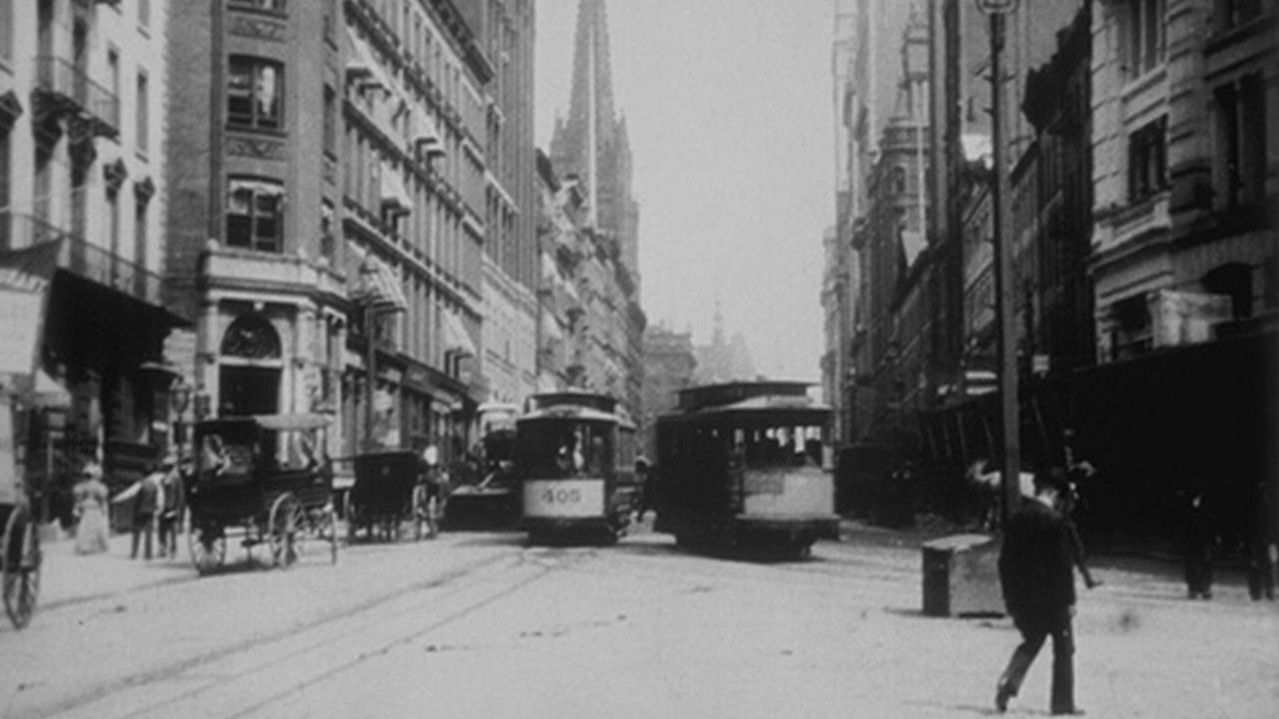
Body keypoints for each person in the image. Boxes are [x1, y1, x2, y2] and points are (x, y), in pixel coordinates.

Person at [995, 466, 1083, 716]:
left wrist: (1010, 593)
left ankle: (1010, 681)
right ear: (1054, 493)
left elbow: (1005, 561)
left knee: (1033, 639)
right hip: (1053, 597)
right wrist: (1070, 600)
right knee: (1064, 648)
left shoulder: (1018, 517)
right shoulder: (1056, 522)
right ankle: (1062, 704)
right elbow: (1062, 567)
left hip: (1024, 595)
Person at [113, 463, 165, 560]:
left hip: (139, 510)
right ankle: (148, 554)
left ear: (143, 473)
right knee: (148, 533)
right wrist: (158, 509)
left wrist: (117, 499)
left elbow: (129, 493)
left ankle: (134, 553)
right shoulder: (155, 485)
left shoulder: (140, 484)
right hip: (150, 510)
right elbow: (160, 498)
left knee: (136, 532)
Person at [1180, 489, 1215, 600]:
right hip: (1192, 541)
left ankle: (1205, 588)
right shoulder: (1188, 509)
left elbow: (1212, 524)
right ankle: (1194, 588)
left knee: (1205, 564)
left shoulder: (1208, 510)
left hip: (1204, 540)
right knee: (1192, 564)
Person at [72, 462, 110, 555]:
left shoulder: (83, 486)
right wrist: (103, 507)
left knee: (85, 528)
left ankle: (85, 547)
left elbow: (79, 498)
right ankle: (97, 546)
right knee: (96, 527)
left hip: (87, 506)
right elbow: (102, 497)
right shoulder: (98, 486)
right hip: (95, 506)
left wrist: (77, 507)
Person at [156, 452, 184, 559]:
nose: (166, 469)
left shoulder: (177, 479)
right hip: (163, 507)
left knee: (172, 531)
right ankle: (162, 548)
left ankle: (173, 550)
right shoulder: (163, 479)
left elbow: (180, 495)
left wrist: (177, 508)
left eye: (168, 467)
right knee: (161, 529)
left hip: (172, 507)